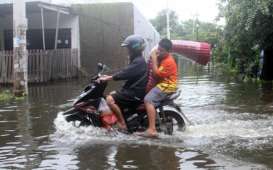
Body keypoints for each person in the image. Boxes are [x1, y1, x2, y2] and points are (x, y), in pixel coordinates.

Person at [97, 35, 147, 132]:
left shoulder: (139, 61)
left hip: (135, 93)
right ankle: (123, 118)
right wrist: (108, 75)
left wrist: (109, 78)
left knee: (109, 99)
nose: (127, 50)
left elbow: (125, 73)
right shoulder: (137, 60)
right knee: (112, 94)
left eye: (128, 48)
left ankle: (122, 123)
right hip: (134, 90)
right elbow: (125, 71)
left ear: (134, 48)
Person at [141, 38, 178, 137]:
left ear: (168, 51)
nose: (159, 51)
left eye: (162, 50)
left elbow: (156, 74)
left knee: (148, 100)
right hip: (161, 84)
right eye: (158, 49)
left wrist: (154, 59)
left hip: (167, 85)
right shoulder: (162, 57)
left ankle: (152, 129)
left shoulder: (168, 61)